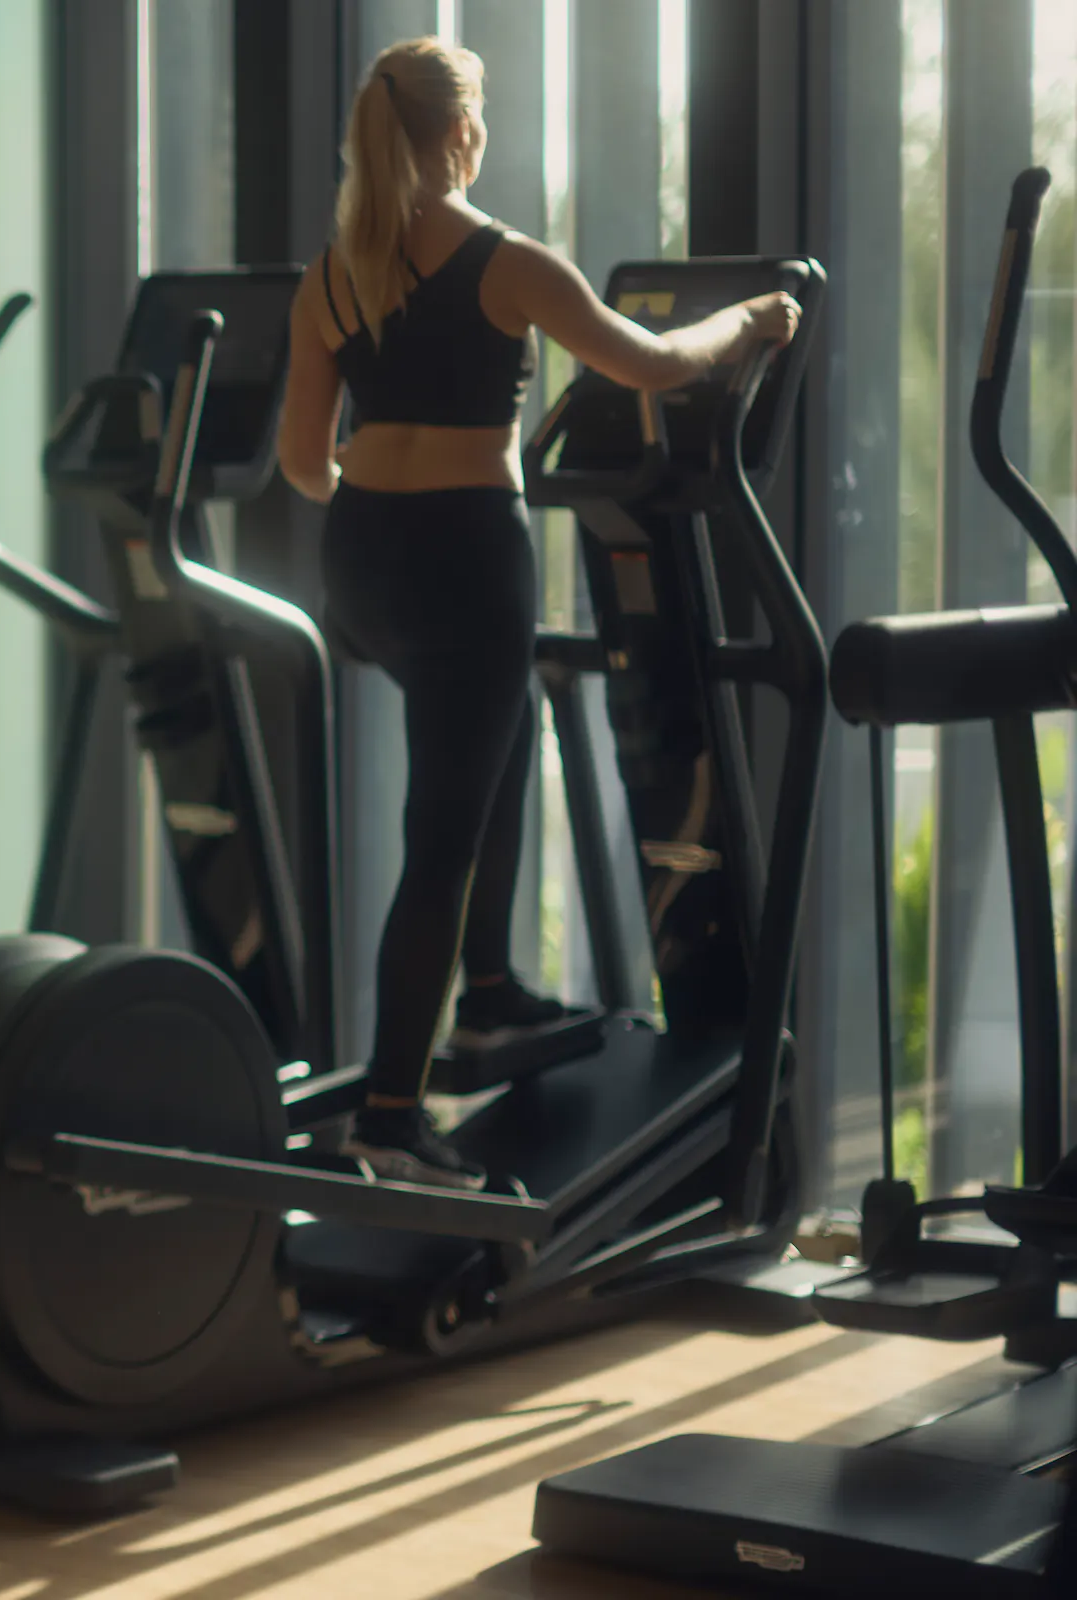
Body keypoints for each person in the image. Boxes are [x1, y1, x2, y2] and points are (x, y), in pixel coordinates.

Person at [275, 38, 799, 1190]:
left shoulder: (334, 273)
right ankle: (390, 1114)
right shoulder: (506, 262)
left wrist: (379, 478)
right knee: (441, 836)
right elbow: (658, 363)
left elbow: (301, 462)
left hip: (362, 561)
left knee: (490, 745)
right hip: (467, 556)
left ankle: (496, 990)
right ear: (461, 131)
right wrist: (755, 317)